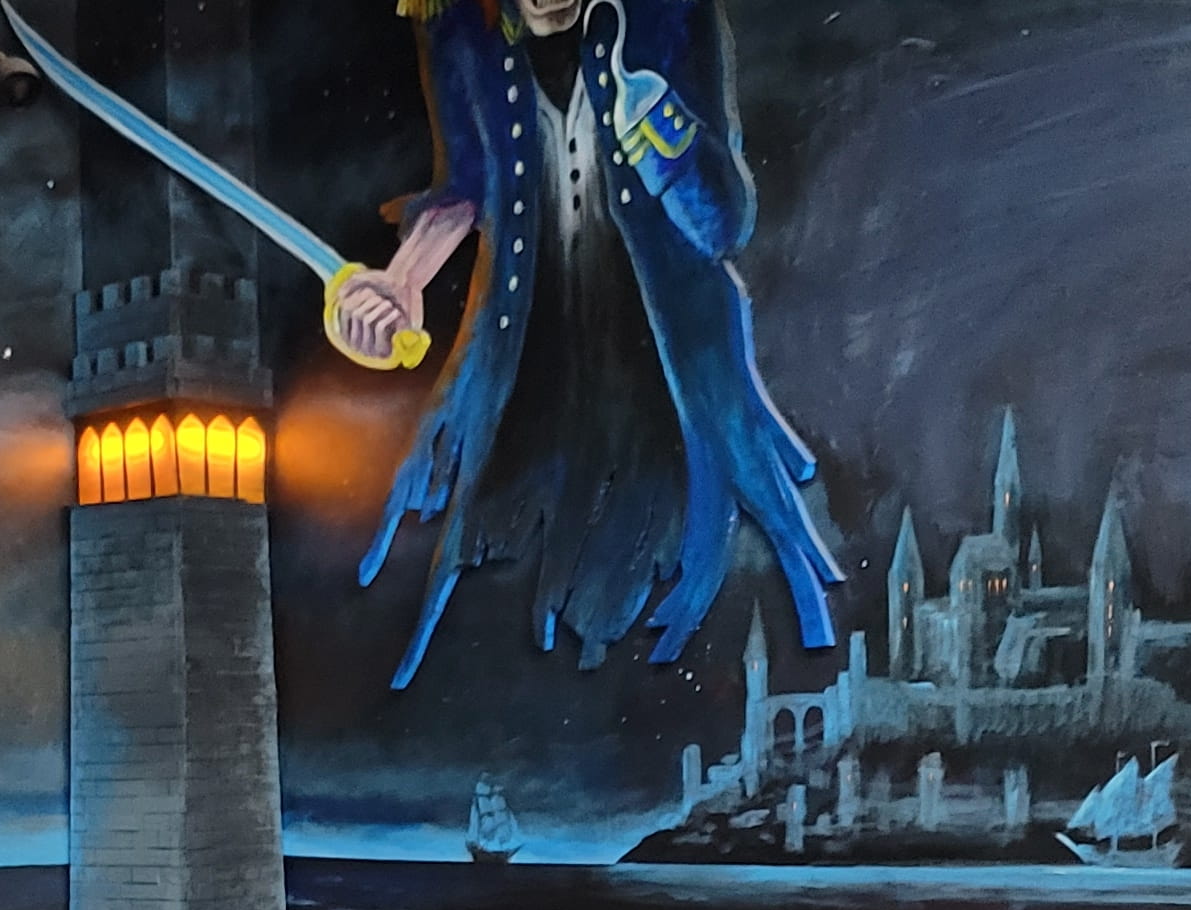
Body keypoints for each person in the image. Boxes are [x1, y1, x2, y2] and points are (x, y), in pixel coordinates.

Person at [343, 0, 840, 685]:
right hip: (531, 370)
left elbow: (724, 222)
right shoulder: (462, 31)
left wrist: (665, 140)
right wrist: (403, 281)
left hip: (670, 380)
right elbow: (467, 183)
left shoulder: (669, 15)